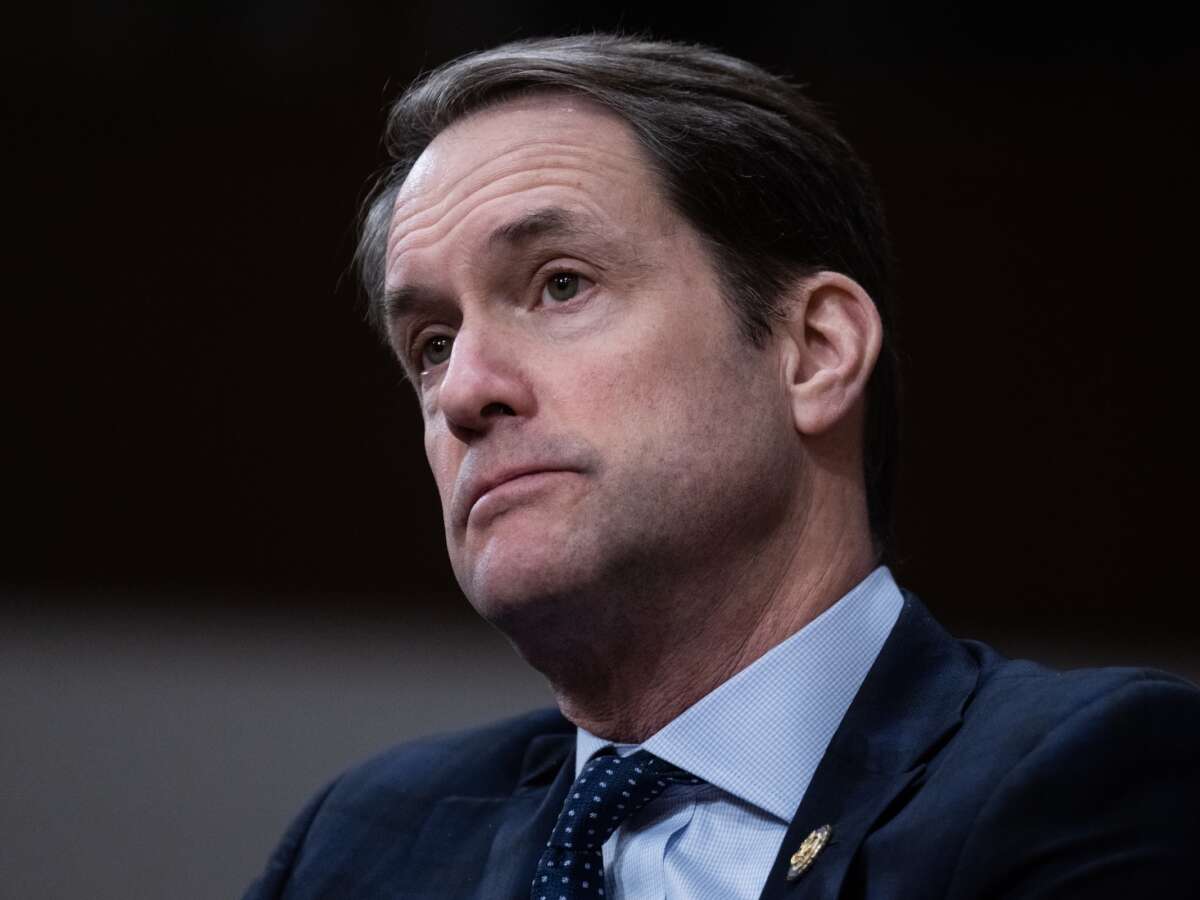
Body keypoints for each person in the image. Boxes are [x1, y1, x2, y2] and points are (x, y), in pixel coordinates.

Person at [243, 34, 1200, 899]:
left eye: (561, 284)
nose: (463, 392)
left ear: (814, 352)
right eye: (433, 344)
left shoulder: (1086, 781)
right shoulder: (368, 844)